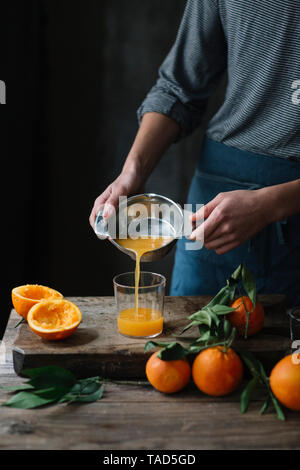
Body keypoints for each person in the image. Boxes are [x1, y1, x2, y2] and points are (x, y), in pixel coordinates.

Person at [90, 0, 300, 306]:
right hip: (217, 196)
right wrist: (131, 172)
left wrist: (272, 204)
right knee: (188, 347)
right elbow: (178, 88)